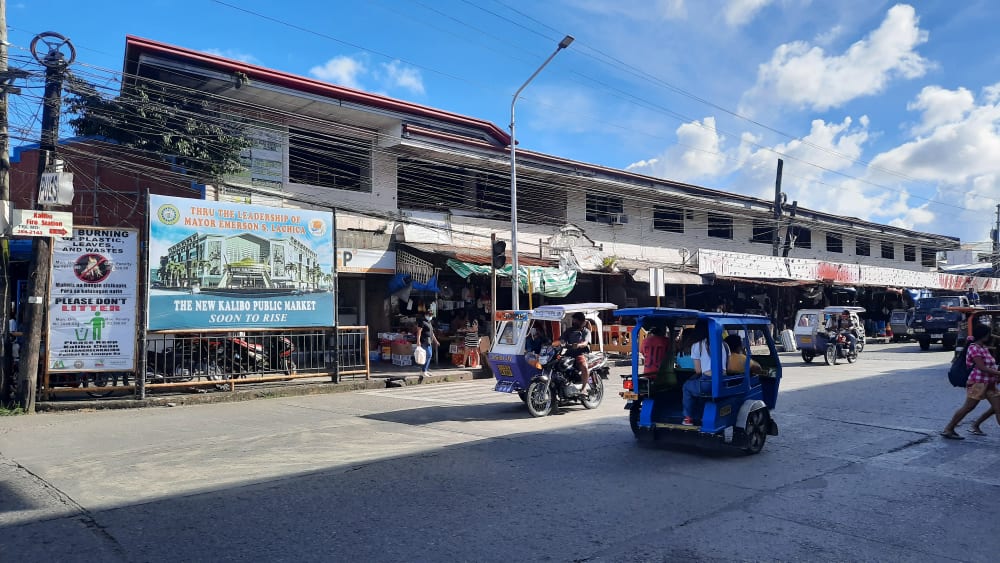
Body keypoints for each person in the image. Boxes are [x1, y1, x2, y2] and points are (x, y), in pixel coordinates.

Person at [942, 324, 1000, 439]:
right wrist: (998, 373)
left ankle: (972, 425)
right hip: (977, 383)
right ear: (983, 335)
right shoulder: (974, 348)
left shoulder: (983, 347)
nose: (990, 336)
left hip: (989, 383)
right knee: (968, 407)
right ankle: (949, 428)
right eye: (988, 334)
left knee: (998, 408)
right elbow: (981, 367)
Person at [682, 318, 727, 426]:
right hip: (724, 383)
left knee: (687, 387)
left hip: (707, 383)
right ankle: (701, 415)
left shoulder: (697, 345)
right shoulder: (724, 344)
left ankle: (688, 418)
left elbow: (698, 370)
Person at [563, 312, 592, 394]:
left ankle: (584, 388)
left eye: (576, 321)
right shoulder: (569, 331)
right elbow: (561, 339)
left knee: (583, 366)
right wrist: (555, 343)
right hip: (569, 354)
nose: (574, 322)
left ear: (582, 322)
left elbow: (586, 342)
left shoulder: (586, 331)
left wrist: (579, 345)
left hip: (581, 353)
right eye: (573, 320)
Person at [415, 312, 439, 382]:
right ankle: (424, 371)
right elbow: (419, 332)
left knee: (428, 356)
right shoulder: (422, 322)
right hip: (424, 341)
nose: (430, 316)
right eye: (429, 315)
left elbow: (432, 333)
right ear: (426, 315)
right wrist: (418, 341)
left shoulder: (429, 322)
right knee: (429, 355)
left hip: (429, 341)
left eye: (431, 315)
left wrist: (436, 341)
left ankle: (425, 370)